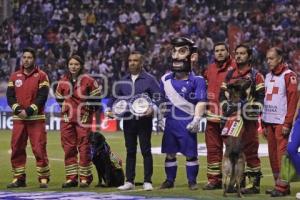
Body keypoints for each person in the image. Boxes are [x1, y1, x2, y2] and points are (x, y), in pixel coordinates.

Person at [105, 51, 160, 191]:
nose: (132, 63)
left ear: (141, 63)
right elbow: (113, 99)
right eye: (130, 60)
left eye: (135, 60)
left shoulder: (150, 79)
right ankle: (129, 181)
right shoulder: (122, 80)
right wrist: (108, 110)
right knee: (130, 151)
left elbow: (159, 97)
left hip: (144, 121)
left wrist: (153, 108)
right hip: (128, 121)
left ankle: (148, 181)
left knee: (146, 150)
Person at [159, 37, 207, 190]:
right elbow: (161, 100)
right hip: (171, 122)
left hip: (187, 122)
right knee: (170, 153)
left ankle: (192, 181)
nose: (176, 56)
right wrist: (160, 116)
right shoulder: (165, 79)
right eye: (174, 51)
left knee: (191, 154)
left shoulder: (198, 80)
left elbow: (201, 101)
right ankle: (169, 180)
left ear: (192, 56)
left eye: (182, 51)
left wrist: (197, 119)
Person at [219, 43, 265, 194]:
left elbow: (260, 98)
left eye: (242, 53)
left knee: (250, 150)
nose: (238, 56)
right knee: (232, 149)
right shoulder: (230, 74)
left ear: (249, 56)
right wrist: (226, 107)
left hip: (248, 120)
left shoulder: (256, 76)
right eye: (237, 53)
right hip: (232, 119)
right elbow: (222, 95)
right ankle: (235, 181)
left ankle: (254, 184)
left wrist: (251, 111)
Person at [6, 47, 50, 188]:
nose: (26, 60)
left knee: (39, 148)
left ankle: (43, 178)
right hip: (19, 119)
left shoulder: (42, 75)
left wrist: (29, 110)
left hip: (36, 119)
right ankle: (18, 178)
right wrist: (18, 110)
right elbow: (10, 96)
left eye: (29, 57)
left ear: (34, 59)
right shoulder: (14, 76)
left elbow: (42, 96)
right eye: (24, 57)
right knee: (17, 147)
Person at [55, 55, 101, 188]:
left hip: (83, 119)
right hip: (66, 119)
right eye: (71, 64)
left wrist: (89, 107)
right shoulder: (63, 81)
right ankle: (71, 179)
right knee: (68, 148)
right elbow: (59, 97)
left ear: (81, 66)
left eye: (76, 64)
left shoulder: (89, 81)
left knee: (84, 148)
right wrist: (62, 104)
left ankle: (85, 178)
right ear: (68, 66)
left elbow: (97, 100)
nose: (73, 67)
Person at [262, 47, 299, 197]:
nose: (268, 62)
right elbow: (265, 100)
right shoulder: (267, 76)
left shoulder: (289, 76)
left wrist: (287, 123)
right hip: (269, 121)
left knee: (282, 155)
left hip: (281, 122)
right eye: (267, 59)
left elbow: (293, 101)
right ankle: (278, 184)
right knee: (272, 155)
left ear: (280, 58)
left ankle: (283, 187)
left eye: (271, 58)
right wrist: (263, 123)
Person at [202, 42, 236, 190]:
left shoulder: (235, 67)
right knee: (213, 150)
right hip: (211, 117)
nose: (220, 53)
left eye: (223, 50)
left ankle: (234, 180)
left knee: (232, 150)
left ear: (228, 52)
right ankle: (214, 180)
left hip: (229, 117)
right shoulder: (209, 69)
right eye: (217, 51)